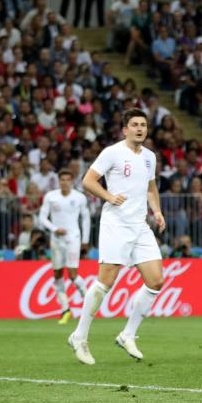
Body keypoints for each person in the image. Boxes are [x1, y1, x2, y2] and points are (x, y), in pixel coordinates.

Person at [68, 109, 166, 365]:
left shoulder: (150, 157)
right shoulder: (112, 152)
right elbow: (88, 181)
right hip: (116, 224)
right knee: (106, 281)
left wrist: (156, 211)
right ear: (125, 130)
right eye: (134, 125)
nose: (140, 129)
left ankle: (127, 335)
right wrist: (109, 196)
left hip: (140, 225)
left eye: (143, 125)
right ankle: (79, 336)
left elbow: (151, 188)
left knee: (156, 281)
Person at [38, 170, 90, 325]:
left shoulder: (79, 197)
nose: (65, 182)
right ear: (59, 181)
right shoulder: (51, 196)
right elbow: (42, 217)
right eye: (62, 179)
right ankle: (65, 309)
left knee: (73, 274)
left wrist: (85, 240)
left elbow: (85, 218)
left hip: (73, 238)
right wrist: (54, 229)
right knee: (57, 274)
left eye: (68, 179)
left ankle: (88, 301)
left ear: (72, 181)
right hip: (56, 240)